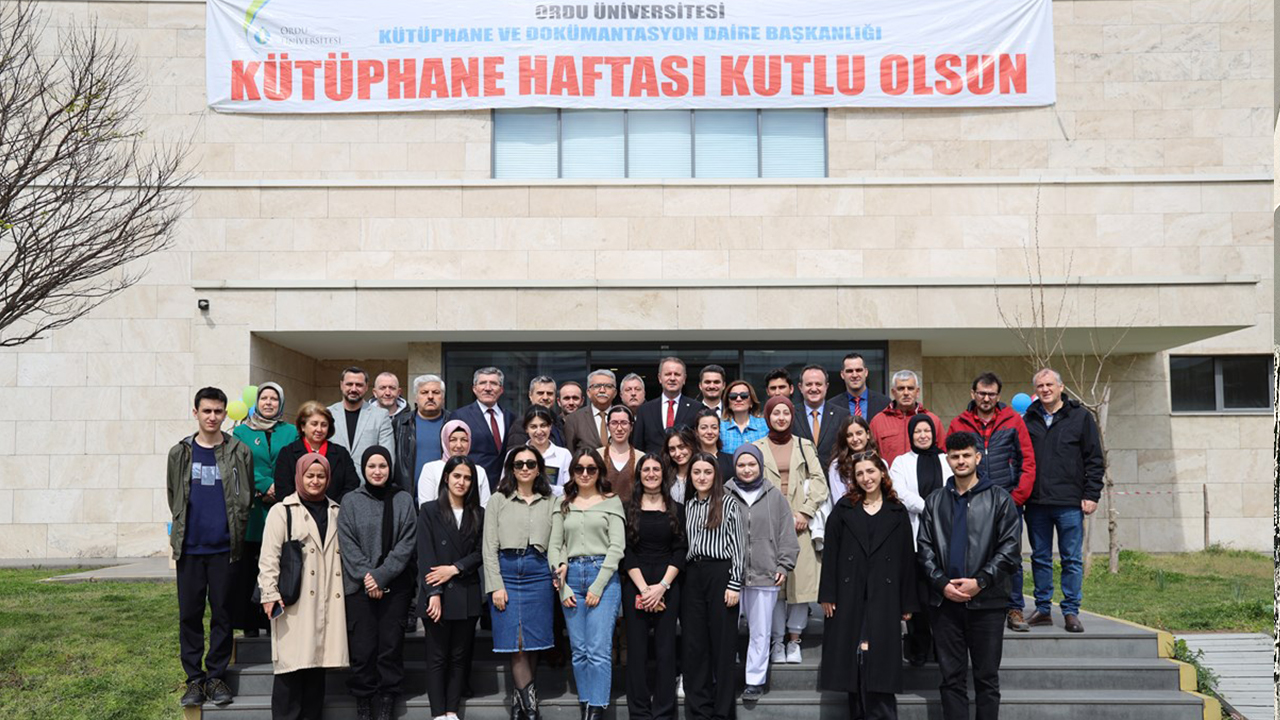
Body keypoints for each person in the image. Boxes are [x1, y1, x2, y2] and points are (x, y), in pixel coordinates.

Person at [917, 433, 1022, 720]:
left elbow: (1010, 549)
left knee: (987, 678)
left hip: (987, 603)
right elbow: (924, 548)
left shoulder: (1000, 499)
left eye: (966, 455)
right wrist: (941, 584)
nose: (960, 461)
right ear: (947, 460)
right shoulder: (935, 501)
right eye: (954, 456)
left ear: (977, 457)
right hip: (945, 604)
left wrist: (981, 582)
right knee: (951, 679)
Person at [168, 387, 254, 708]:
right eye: (207, 411)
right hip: (190, 549)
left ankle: (216, 676)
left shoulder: (239, 451)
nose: (213, 417)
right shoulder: (179, 453)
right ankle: (194, 679)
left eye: (218, 411)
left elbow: (245, 495)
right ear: (196, 413)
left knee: (223, 613)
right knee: (189, 615)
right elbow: (173, 494)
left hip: (224, 549)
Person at [819, 451, 918, 720]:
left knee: (880, 659)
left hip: (884, 594)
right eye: (860, 473)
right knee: (855, 657)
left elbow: (906, 558)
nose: (866, 478)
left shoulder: (897, 511)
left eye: (871, 472)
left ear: (882, 473)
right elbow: (831, 554)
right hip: (849, 592)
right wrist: (827, 593)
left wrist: (907, 601)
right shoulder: (843, 508)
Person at [259, 453, 348, 720]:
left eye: (321, 476)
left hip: (326, 601)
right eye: (310, 475)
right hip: (293, 602)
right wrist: (269, 593)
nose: (315, 481)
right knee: (290, 671)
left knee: (315, 672)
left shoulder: (337, 511)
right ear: (299, 477)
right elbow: (269, 557)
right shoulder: (282, 511)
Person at [946, 372, 1037, 632]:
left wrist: (1016, 497)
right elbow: (950, 460)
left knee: (1011, 556)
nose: (986, 398)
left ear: (998, 395)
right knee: (973, 553)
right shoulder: (959, 423)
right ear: (973, 394)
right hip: (970, 502)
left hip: (1007, 501)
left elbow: (1027, 460)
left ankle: (1014, 607)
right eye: (981, 393)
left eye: (991, 394)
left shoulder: (1013, 421)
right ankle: (976, 602)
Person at [337, 446, 418, 720]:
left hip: (395, 586)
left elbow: (406, 543)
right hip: (359, 588)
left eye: (382, 466)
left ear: (390, 468)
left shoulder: (403, 499)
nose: (377, 471)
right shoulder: (350, 501)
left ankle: (386, 700)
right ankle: (363, 701)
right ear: (363, 468)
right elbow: (347, 543)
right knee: (363, 648)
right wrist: (368, 577)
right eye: (372, 466)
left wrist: (381, 576)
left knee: (390, 647)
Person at [1022, 368, 1104, 634]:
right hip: (1036, 503)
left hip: (1069, 502)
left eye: (1049, 385)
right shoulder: (1027, 420)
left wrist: (1092, 494)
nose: (1045, 389)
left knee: (1071, 559)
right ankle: (1043, 609)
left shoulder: (1080, 417)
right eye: (1040, 386)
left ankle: (1070, 611)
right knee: (1040, 558)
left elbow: (1094, 459)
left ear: (1060, 387)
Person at [549, 448, 626, 720]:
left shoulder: (611, 501)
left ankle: (597, 708)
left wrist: (598, 585)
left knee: (598, 649)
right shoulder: (563, 503)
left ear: (599, 472)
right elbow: (555, 546)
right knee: (579, 650)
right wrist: (562, 584)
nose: (584, 473)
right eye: (579, 469)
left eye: (591, 469)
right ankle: (586, 703)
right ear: (571, 473)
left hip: (601, 576)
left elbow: (617, 547)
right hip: (570, 580)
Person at [483, 445, 557, 720]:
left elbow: (557, 542)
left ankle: (520, 701)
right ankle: (531, 709)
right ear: (511, 469)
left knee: (533, 642)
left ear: (538, 468)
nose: (524, 468)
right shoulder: (498, 500)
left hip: (539, 572)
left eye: (530, 463)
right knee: (515, 643)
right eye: (519, 464)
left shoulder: (551, 501)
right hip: (507, 571)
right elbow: (488, 547)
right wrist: (495, 585)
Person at [752, 395, 826, 665]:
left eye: (785, 412)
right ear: (767, 416)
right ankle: (776, 642)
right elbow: (749, 482)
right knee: (774, 587)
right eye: (775, 413)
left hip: (799, 524)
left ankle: (794, 641)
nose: (781, 417)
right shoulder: (756, 447)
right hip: (768, 525)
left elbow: (819, 481)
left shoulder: (804, 446)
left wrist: (805, 511)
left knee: (799, 587)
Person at [727, 444, 799, 702]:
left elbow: (787, 535)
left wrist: (783, 564)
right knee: (726, 629)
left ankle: (754, 680)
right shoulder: (725, 493)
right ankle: (724, 677)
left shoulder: (774, 495)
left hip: (765, 572)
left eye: (751, 464)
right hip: (730, 577)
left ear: (760, 465)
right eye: (741, 465)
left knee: (760, 631)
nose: (746, 469)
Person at [417, 455, 485, 720]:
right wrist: (434, 593)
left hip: (466, 591)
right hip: (437, 594)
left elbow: (481, 552)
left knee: (459, 656)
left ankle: (451, 711)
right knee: (437, 658)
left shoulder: (478, 513)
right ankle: (437, 714)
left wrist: (455, 568)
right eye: (457, 476)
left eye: (467, 478)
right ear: (446, 477)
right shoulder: (430, 510)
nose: (462, 482)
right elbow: (425, 553)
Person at [231, 382, 299, 639]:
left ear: (280, 404)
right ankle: (249, 622)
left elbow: (292, 461)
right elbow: (241, 462)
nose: (268, 403)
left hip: (280, 506)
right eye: (264, 398)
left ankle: (273, 619)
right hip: (254, 509)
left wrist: (278, 487)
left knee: (278, 564)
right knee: (251, 567)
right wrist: (264, 485)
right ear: (256, 403)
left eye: (273, 399)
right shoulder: (241, 432)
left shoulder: (290, 431)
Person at [622, 454, 687, 720]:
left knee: (665, 649)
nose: (651, 473)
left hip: (667, 583)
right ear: (639, 474)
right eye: (645, 469)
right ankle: (638, 712)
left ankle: (663, 711)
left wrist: (661, 587)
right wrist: (644, 589)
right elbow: (625, 551)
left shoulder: (677, 508)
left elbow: (681, 550)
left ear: (664, 473)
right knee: (636, 651)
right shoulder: (626, 508)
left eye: (656, 469)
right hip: (635, 582)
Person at [681, 452, 744, 720]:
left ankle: (722, 713)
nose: (702, 477)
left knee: (722, 645)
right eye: (697, 472)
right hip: (693, 576)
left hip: (721, 575)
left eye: (707, 472)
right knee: (695, 645)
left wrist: (734, 583)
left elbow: (739, 547)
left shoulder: (728, 503)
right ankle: (699, 710)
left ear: (716, 475)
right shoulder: (687, 506)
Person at [888, 415, 952, 667]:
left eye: (927, 431)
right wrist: (928, 506)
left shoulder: (946, 460)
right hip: (914, 535)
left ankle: (942, 647)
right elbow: (898, 491)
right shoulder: (901, 462)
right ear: (911, 435)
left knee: (941, 595)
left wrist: (938, 509)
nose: (923, 435)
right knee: (917, 596)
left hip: (945, 536)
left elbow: (954, 487)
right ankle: (918, 647)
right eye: (918, 432)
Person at [274, 401, 361, 503]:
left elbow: (352, 485)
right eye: (314, 424)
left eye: (324, 425)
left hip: (335, 512)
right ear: (302, 426)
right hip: (298, 514)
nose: (319, 429)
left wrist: (333, 508)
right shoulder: (288, 453)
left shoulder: (341, 454)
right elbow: (283, 489)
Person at [451, 367, 514, 491]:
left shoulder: (510, 417)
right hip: (473, 485)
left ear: (501, 390)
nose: (488, 388)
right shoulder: (460, 416)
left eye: (494, 383)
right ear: (474, 389)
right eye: (483, 383)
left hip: (504, 487)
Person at [328, 367, 396, 481]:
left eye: (359, 385)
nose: (353, 389)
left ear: (366, 387)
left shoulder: (380, 416)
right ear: (341, 385)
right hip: (332, 484)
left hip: (367, 487)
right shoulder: (327, 414)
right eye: (349, 384)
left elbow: (388, 457)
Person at [391, 374, 452, 496]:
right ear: (416, 398)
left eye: (436, 392)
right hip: (408, 495)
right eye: (424, 392)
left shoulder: (453, 422)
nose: (430, 397)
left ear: (443, 397)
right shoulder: (400, 423)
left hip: (446, 494)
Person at [869, 370, 944, 466]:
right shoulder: (878, 422)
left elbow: (943, 454)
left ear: (917, 392)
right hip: (889, 479)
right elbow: (870, 457)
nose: (906, 393)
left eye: (910, 388)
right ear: (893, 392)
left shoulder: (932, 420)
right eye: (901, 388)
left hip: (924, 478)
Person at [416, 420, 492, 508]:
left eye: (464, 440)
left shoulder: (479, 471)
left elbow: (485, 508)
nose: (459, 445)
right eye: (453, 440)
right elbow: (426, 508)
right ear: (444, 441)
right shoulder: (431, 469)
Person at [634, 357, 700, 454]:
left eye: (677, 374)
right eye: (668, 374)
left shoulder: (696, 408)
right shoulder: (645, 410)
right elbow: (637, 447)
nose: (672, 378)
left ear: (684, 379)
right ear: (660, 378)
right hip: (654, 467)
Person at [791, 363, 851, 470]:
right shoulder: (791, 414)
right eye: (809, 384)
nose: (814, 389)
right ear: (800, 387)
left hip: (833, 480)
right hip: (801, 480)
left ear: (826, 386)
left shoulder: (842, 415)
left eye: (818, 384)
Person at [823, 415, 881, 518]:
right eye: (849, 435)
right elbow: (838, 499)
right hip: (850, 517)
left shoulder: (880, 462)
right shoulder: (837, 466)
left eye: (859, 433)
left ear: (867, 434)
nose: (855, 439)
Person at [519, 406, 573, 493]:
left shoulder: (563, 455)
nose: (539, 431)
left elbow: (570, 489)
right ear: (526, 429)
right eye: (533, 427)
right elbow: (507, 487)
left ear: (550, 426)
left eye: (543, 426)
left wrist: (547, 488)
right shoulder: (515, 455)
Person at [563, 369, 618, 455]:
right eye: (597, 386)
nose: (602, 390)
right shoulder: (574, 419)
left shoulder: (624, 416)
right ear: (588, 392)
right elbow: (570, 454)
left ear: (615, 393)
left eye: (608, 386)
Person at [600, 404, 644, 504]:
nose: (619, 428)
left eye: (624, 423)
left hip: (634, 514)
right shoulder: (597, 455)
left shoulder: (641, 457)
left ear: (631, 426)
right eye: (614, 423)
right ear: (608, 426)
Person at [507, 376, 567, 448]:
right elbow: (517, 455)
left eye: (550, 393)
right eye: (540, 393)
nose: (545, 397)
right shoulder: (520, 424)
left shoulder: (558, 422)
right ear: (530, 395)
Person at [719, 379, 767, 453]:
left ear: (751, 401)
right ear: (728, 403)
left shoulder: (765, 425)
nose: (738, 399)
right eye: (733, 396)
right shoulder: (720, 427)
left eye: (744, 396)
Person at [839, 352, 891, 420]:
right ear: (842, 375)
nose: (854, 375)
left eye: (858, 370)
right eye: (849, 371)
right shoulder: (832, 406)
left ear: (866, 372)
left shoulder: (884, 403)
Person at [693, 407, 736, 481]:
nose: (709, 432)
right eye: (704, 428)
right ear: (696, 431)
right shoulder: (691, 460)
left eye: (714, 427)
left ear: (719, 430)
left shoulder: (731, 461)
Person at [661, 426, 697, 504]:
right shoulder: (664, 475)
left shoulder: (701, 475)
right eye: (672, 449)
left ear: (692, 445)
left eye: (681, 447)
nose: (677, 454)